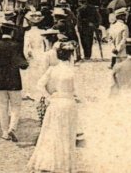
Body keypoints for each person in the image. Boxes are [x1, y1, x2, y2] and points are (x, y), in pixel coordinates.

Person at [27, 41, 79, 173]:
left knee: (52, 132)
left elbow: (39, 85)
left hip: (55, 103)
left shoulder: (52, 69)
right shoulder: (72, 71)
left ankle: (49, 162)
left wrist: (49, 96)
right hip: (68, 103)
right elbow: (77, 91)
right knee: (67, 134)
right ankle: (64, 164)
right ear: (70, 56)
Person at [0, 23, 29, 142]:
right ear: (11, 33)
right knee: (16, 106)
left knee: (2, 106)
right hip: (14, 80)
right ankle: (13, 127)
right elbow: (23, 65)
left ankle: (4, 132)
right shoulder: (16, 46)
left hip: (0, 80)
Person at [22, 11, 49, 100]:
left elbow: (26, 46)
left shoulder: (28, 33)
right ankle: (41, 91)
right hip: (41, 53)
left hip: (33, 53)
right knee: (41, 72)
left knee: (31, 74)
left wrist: (26, 55)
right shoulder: (43, 32)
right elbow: (47, 45)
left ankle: (30, 92)